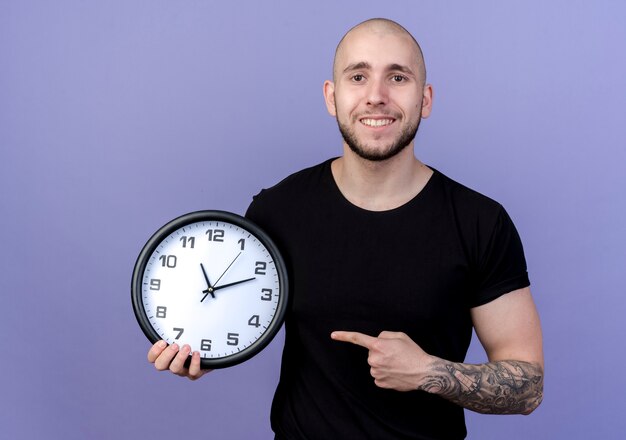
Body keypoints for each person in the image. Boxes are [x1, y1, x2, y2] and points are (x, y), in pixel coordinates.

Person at [147, 18, 544, 439]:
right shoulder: (276, 209)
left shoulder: (480, 222)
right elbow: (234, 315)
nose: (376, 96)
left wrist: (429, 370)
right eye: (358, 76)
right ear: (331, 97)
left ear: (425, 99)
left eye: (398, 77)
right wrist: (201, 352)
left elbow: (529, 386)